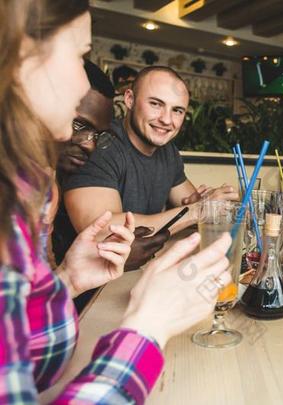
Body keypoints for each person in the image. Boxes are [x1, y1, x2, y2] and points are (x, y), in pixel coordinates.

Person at [0, 1, 233, 402]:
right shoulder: (92, 155)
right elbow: (124, 222)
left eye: (177, 110)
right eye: (80, 56)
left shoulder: (20, 185)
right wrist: (149, 327)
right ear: (21, 54)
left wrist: (67, 280)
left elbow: (18, 346)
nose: (85, 84)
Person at [57, 65, 237, 263]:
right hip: (87, 284)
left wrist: (206, 204)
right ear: (130, 99)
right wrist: (198, 210)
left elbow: (190, 205)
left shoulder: (168, 152)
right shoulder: (98, 144)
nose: (166, 120)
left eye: (177, 110)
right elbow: (100, 231)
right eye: (156, 104)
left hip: (138, 271)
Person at [52, 60, 170, 274]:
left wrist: (76, 273)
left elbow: (37, 286)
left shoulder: (45, 185)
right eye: (79, 125)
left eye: (99, 135)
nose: (90, 146)